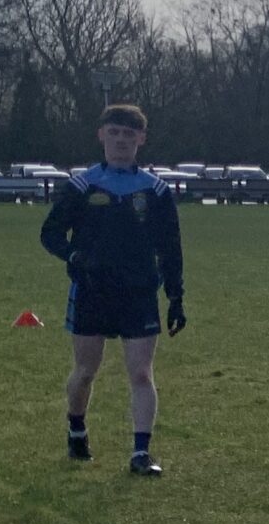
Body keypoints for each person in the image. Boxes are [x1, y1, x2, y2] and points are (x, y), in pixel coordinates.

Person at [40, 104, 185, 475]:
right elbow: (50, 234)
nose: (121, 140)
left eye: (129, 134)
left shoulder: (156, 190)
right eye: (115, 132)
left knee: (141, 373)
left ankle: (141, 454)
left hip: (139, 292)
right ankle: (76, 428)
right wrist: (74, 256)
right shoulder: (82, 186)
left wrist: (176, 297)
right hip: (92, 291)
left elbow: (171, 248)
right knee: (86, 371)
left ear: (141, 139)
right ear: (101, 135)